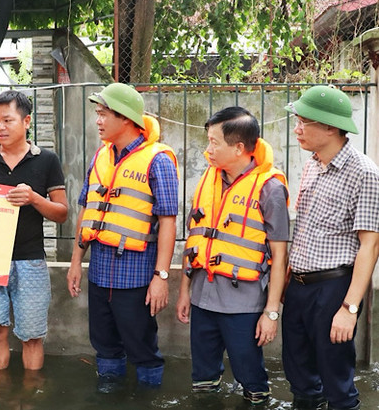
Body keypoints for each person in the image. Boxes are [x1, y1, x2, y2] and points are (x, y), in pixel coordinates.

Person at [66, 82, 178, 392]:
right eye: (97, 114)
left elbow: (168, 222)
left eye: (104, 115)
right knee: (103, 342)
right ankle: (109, 393)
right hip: (100, 270)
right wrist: (76, 261)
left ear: (126, 118)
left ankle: (147, 396)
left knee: (141, 345)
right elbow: (86, 211)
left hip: (137, 273)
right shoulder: (100, 157)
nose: (98, 121)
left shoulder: (159, 160)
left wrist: (161, 276)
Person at [175, 107, 289, 405]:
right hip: (203, 297)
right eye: (208, 141)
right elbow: (194, 240)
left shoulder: (270, 189)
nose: (208, 149)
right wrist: (185, 292)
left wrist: (271, 313)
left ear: (239, 148)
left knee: (252, 381)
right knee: (202, 380)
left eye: (214, 142)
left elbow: (280, 258)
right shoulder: (207, 181)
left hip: (244, 304)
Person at [282, 85, 379, 410]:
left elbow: (370, 245)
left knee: (336, 377)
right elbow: (305, 228)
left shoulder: (364, 174)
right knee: (298, 374)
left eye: (304, 122)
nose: (297, 129)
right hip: (298, 287)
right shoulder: (312, 164)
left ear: (330, 127)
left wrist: (349, 309)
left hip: (334, 289)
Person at [0, 90, 68, 372]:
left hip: (30, 259)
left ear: (26, 121)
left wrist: (34, 198)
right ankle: (0, 395)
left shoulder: (46, 160)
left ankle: (30, 395)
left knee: (32, 336)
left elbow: (62, 213)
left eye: (7, 120)